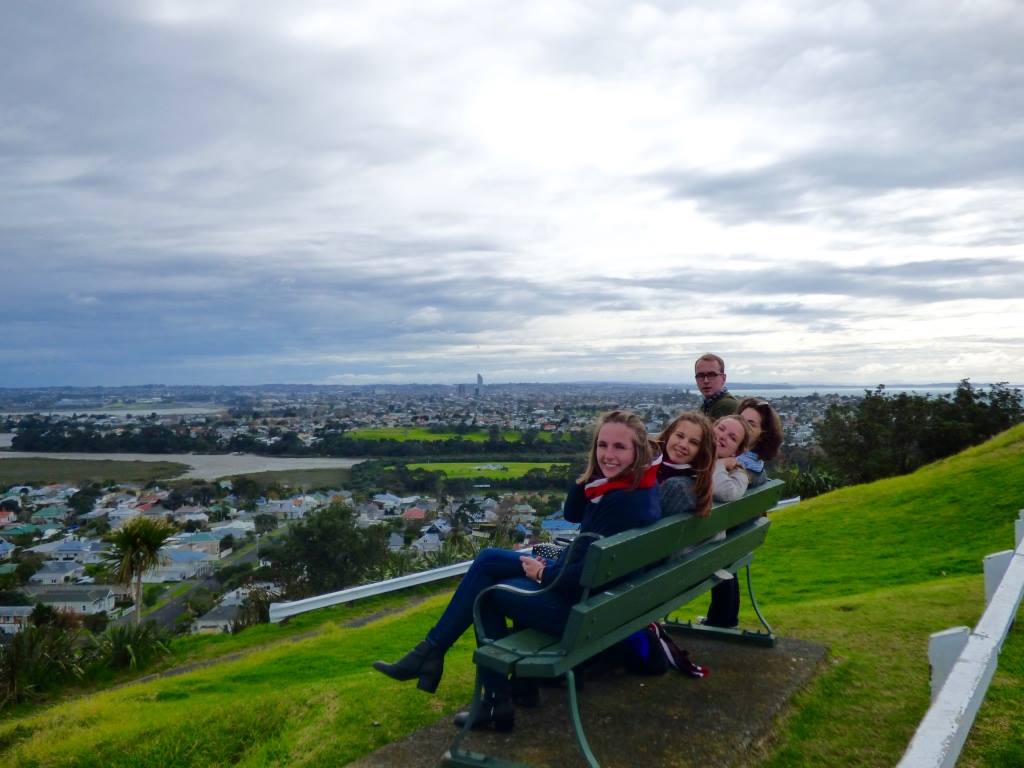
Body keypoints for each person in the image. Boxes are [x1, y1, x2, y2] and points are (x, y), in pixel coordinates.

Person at [371, 410, 662, 731]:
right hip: (599, 604)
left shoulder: (620, 502)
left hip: (576, 609)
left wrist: (542, 574)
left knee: (487, 592)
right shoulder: (636, 489)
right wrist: (594, 475)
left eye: (619, 448)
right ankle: (440, 658)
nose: (608, 454)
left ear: (638, 452)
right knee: (489, 561)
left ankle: (479, 688)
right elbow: (572, 513)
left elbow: (576, 577)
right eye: (602, 445)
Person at [656, 411, 715, 518]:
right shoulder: (654, 465)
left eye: (693, 442)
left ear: (701, 452)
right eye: (679, 436)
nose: (683, 445)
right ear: (669, 434)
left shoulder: (678, 487)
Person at [735, 397, 784, 488]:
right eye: (740, 419)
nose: (742, 425)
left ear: (762, 436)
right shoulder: (755, 466)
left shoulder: (743, 472)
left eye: (751, 424)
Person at [712, 414, 753, 502]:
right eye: (721, 429)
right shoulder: (691, 452)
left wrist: (720, 463)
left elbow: (726, 493)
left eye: (732, 438)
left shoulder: (738, 474)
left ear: (737, 452)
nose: (722, 436)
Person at [694, 353, 738, 419]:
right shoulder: (706, 406)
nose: (706, 381)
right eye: (701, 376)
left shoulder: (727, 406)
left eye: (711, 375)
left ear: (723, 378)